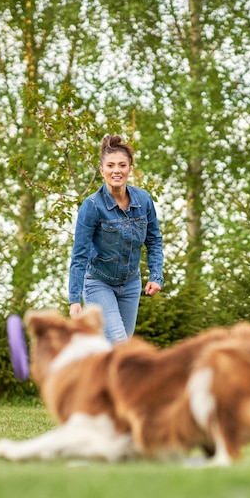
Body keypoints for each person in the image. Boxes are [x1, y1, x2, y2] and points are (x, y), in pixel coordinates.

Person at [68, 134, 164, 344]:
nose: (116, 170)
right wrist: (74, 299)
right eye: (110, 165)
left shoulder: (144, 200)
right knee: (120, 345)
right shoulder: (92, 206)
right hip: (98, 282)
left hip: (130, 284)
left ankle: (93, 375)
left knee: (116, 349)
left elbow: (154, 240)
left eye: (122, 165)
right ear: (102, 170)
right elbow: (79, 255)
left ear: (130, 168)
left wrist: (156, 275)